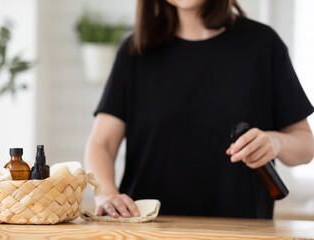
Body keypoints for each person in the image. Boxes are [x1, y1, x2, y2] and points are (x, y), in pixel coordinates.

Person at [84, 0, 314, 219]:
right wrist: (106, 194)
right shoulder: (135, 52)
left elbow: (306, 145)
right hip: (151, 231)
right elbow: (101, 144)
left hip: (242, 232)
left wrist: (276, 142)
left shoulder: (263, 45)